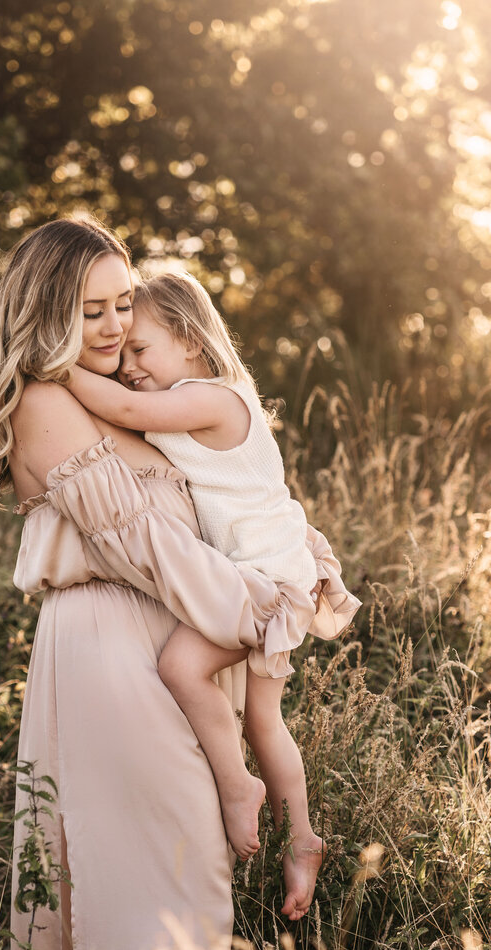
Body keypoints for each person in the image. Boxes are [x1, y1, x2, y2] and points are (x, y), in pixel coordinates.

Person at [0, 214, 359, 950]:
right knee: (159, 896)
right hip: (115, 653)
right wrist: (264, 610)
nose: (111, 329)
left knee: (178, 886)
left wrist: (300, 562)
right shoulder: (46, 402)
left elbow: (228, 507)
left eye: (121, 307)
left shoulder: (143, 405)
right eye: (91, 311)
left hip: (179, 648)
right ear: (47, 312)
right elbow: (153, 555)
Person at [67, 269, 360, 915]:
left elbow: (126, 412)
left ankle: (236, 787)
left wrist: (50, 365)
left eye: (140, 351)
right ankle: (302, 842)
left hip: (269, 580)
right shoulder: (196, 401)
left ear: (193, 341)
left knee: (180, 666)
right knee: (263, 720)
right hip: (275, 574)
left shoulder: (214, 398)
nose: (129, 368)